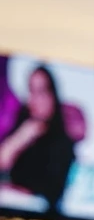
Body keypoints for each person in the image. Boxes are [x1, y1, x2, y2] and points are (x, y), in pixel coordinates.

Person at [0, 66, 76, 211]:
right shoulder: (23, 127)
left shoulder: (63, 141)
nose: (35, 99)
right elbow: (3, 160)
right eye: (31, 91)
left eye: (41, 92)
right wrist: (21, 138)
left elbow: (51, 191)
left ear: (52, 95)